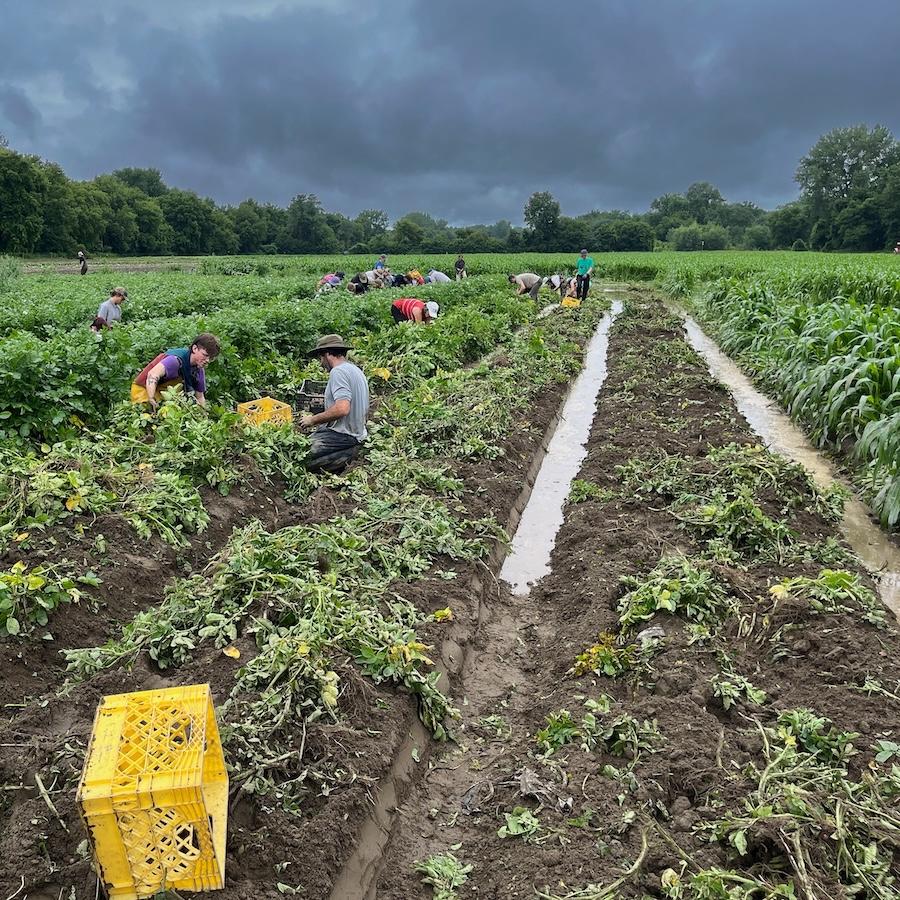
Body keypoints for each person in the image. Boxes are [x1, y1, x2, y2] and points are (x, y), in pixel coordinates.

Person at [301, 334, 370, 474]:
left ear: (327, 354)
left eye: (321, 358)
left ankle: (345, 459)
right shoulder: (355, 370)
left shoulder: (338, 372)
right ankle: (349, 456)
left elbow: (342, 409)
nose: (321, 363)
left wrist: (312, 420)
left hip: (344, 435)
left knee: (299, 455)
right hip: (359, 433)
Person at [131, 333, 220, 410]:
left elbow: (200, 396)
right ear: (195, 348)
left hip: (164, 394)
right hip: (144, 389)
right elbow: (153, 375)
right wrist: (150, 398)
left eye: (210, 358)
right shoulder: (175, 361)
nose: (207, 360)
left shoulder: (198, 370)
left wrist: (202, 415)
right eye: (205, 355)